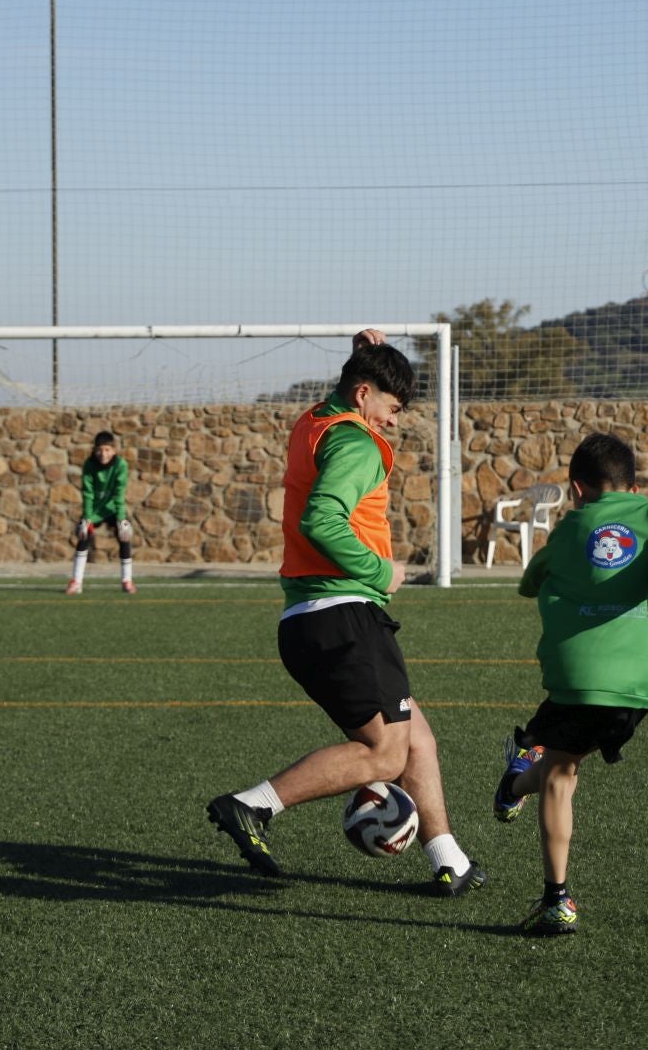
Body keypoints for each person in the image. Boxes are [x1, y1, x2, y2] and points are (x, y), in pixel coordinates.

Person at [206, 329, 484, 896]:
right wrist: (384, 572)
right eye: (393, 406)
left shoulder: (316, 420)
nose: (396, 420)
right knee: (385, 754)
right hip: (343, 614)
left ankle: (448, 859)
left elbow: (344, 399)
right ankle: (252, 806)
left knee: (416, 740)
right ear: (363, 395)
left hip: (313, 617)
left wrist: (362, 353)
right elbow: (322, 521)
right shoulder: (357, 443)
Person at [493, 432, 648, 936]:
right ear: (635, 484)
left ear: (577, 490)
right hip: (643, 684)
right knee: (566, 760)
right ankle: (517, 780)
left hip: (578, 677)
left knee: (559, 773)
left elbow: (529, 581)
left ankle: (556, 897)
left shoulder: (570, 528)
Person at [67, 430, 135, 595]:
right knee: (83, 537)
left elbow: (119, 494)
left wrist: (121, 520)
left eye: (107, 450)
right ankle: (77, 581)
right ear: (94, 450)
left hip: (112, 508)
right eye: (99, 449)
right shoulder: (89, 465)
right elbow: (88, 494)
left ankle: (127, 580)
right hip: (95, 510)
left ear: (114, 450)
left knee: (124, 537)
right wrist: (87, 518)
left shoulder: (121, 465)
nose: (103, 453)